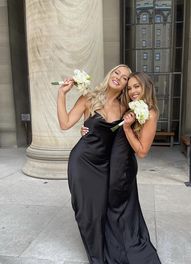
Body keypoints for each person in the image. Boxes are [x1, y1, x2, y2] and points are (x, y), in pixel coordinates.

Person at [82, 72, 162, 263]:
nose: (132, 91)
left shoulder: (150, 113)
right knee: (115, 206)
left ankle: (120, 249)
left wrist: (127, 128)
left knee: (117, 206)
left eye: (137, 87)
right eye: (130, 87)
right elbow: (110, 127)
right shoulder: (129, 107)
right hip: (111, 162)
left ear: (146, 87)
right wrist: (87, 128)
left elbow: (142, 151)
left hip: (122, 167)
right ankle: (112, 244)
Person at [57, 64, 131, 264]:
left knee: (100, 210)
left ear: (126, 85)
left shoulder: (124, 108)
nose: (119, 77)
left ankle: (105, 249)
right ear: (110, 74)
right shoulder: (89, 98)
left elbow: (120, 138)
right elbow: (65, 124)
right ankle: (96, 257)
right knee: (85, 211)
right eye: (117, 72)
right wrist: (62, 95)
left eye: (124, 77)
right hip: (82, 161)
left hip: (104, 165)